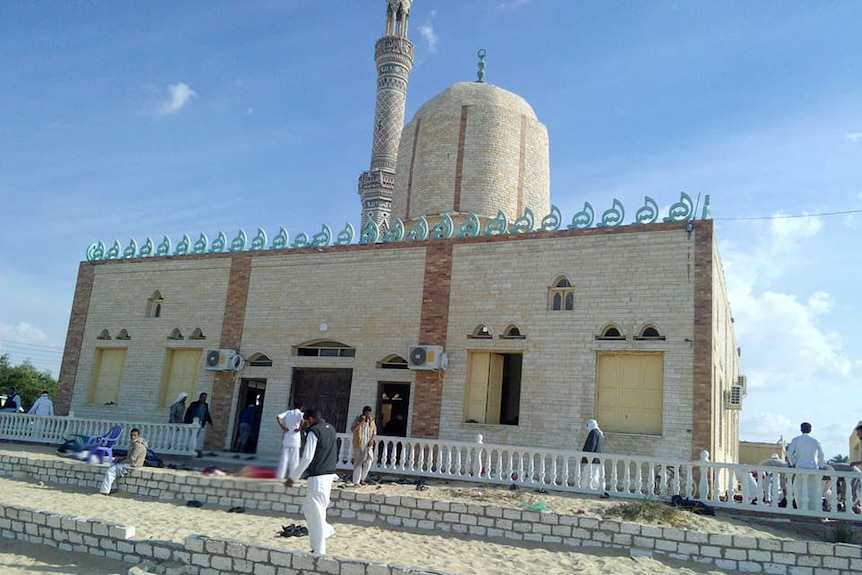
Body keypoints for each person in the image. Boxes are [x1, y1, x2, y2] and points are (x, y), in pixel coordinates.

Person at [285, 408, 338, 555]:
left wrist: (293, 477)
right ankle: (325, 532)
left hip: (317, 479)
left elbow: (307, 457)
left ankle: (320, 549)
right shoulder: (331, 429)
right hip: (328, 476)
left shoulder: (314, 431)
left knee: (317, 516)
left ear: (310, 419)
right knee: (309, 508)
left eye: (306, 421)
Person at [786, 422, 826, 511]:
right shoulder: (815, 440)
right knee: (813, 490)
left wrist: (792, 463)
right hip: (813, 468)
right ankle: (813, 509)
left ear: (801, 429)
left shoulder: (796, 440)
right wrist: (821, 465)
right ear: (810, 429)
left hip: (800, 467)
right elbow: (821, 453)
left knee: (799, 489)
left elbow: (789, 452)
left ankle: (801, 508)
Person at [99, 428, 148, 495]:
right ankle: (113, 487)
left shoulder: (137, 445)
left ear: (138, 436)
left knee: (110, 470)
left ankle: (105, 491)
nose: (132, 437)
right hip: (132, 464)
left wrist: (122, 461)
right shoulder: (137, 443)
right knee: (113, 467)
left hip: (132, 465)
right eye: (131, 435)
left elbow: (132, 459)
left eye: (134, 435)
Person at [276, 404, 305, 480]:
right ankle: (293, 477)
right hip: (295, 438)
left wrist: (283, 427)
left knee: (284, 459)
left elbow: (278, 417)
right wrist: (299, 428)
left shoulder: (288, 412)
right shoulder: (300, 413)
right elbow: (303, 420)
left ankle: (280, 476)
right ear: (301, 407)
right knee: (294, 460)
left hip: (287, 436)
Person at [580, 419, 608, 496]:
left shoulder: (593, 433)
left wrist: (586, 456)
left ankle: (585, 489)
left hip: (592, 460)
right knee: (596, 475)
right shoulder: (599, 433)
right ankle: (596, 489)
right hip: (598, 460)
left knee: (589, 475)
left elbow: (591, 445)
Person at [351, 406, 376, 485]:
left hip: (368, 445)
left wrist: (372, 440)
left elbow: (374, 432)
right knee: (358, 462)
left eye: (369, 413)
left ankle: (362, 478)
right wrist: (361, 422)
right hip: (359, 444)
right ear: (364, 412)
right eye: (367, 413)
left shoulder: (371, 421)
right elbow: (353, 429)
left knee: (369, 460)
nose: (368, 415)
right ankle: (356, 481)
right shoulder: (357, 420)